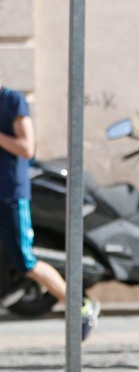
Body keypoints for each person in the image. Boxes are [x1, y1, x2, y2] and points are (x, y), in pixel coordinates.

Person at [0, 69, 99, 338]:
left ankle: (80, 305)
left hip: (10, 193)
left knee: (25, 260)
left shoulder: (11, 99)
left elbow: (26, 147)